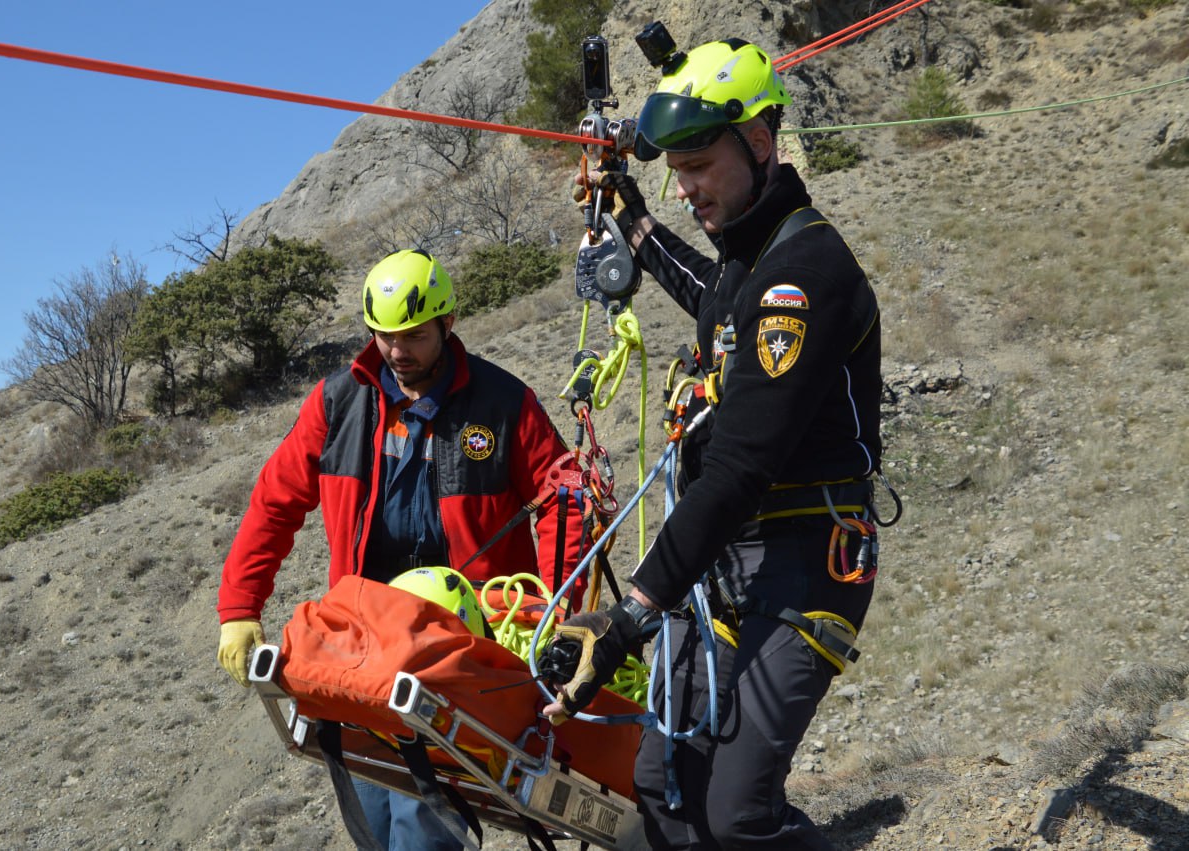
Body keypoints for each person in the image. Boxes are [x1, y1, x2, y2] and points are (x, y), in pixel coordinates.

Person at [544, 38, 883, 850]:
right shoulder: (750, 257)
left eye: (698, 165)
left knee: (736, 815)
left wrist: (631, 614)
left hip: (805, 557)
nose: (686, 186)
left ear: (759, 143)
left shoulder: (802, 275)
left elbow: (737, 469)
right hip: (725, 564)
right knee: (662, 787)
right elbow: (709, 297)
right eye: (676, 170)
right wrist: (629, 210)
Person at [217, 248, 586, 851]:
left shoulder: (502, 403)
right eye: (383, 335)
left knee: (424, 822)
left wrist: (559, 615)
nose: (396, 350)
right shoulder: (339, 404)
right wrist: (239, 609)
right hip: (364, 641)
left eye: (413, 335)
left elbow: (563, 501)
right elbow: (274, 503)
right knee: (374, 811)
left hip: (461, 645)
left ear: (448, 323)